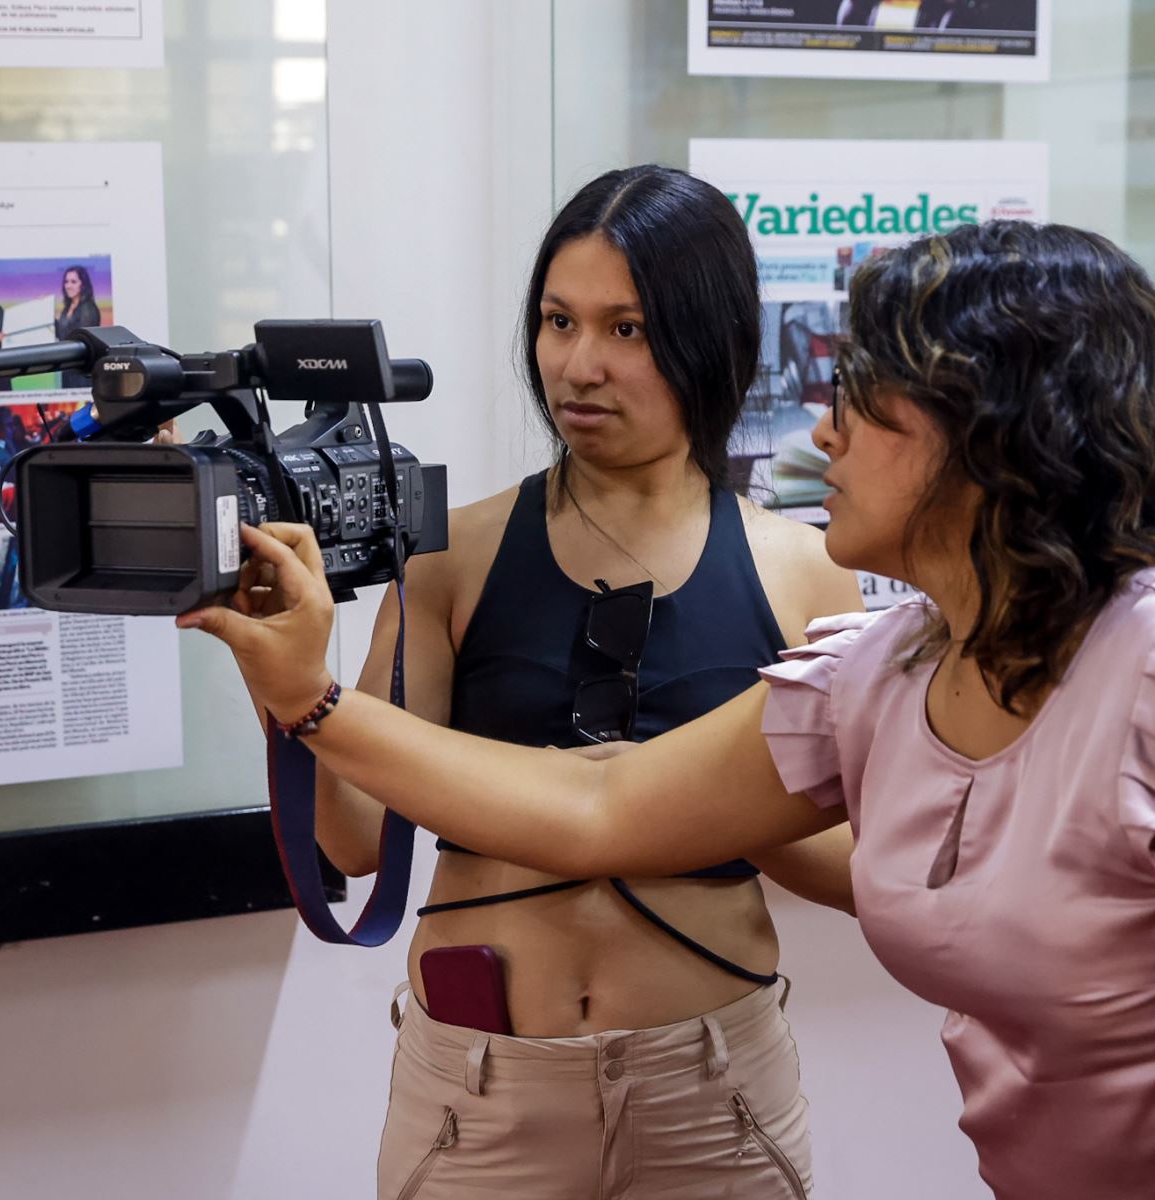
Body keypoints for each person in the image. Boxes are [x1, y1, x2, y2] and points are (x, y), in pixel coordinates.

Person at [187, 221, 1155, 1199]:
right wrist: (311, 696)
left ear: (995, 433)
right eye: (561, 323)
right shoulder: (889, 667)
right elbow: (602, 804)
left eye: (868, 400)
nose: (824, 432)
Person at [300, 165, 861, 1199]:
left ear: (709, 336)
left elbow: (867, 868)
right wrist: (281, 679)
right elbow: (348, 836)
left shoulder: (804, 571)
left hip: (712, 1095)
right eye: (559, 321)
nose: (579, 366)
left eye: (628, 330)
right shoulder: (451, 557)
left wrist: (686, 800)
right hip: (481, 1096)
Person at [56, 266, 103, 389]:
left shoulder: (88, 308)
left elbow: (83, 342)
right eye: (66, 282)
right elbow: (62, 333)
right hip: (67, 367)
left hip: (81, 372)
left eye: (73, 282)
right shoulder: (67, 307)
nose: (68, 286)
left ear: (83, 284)